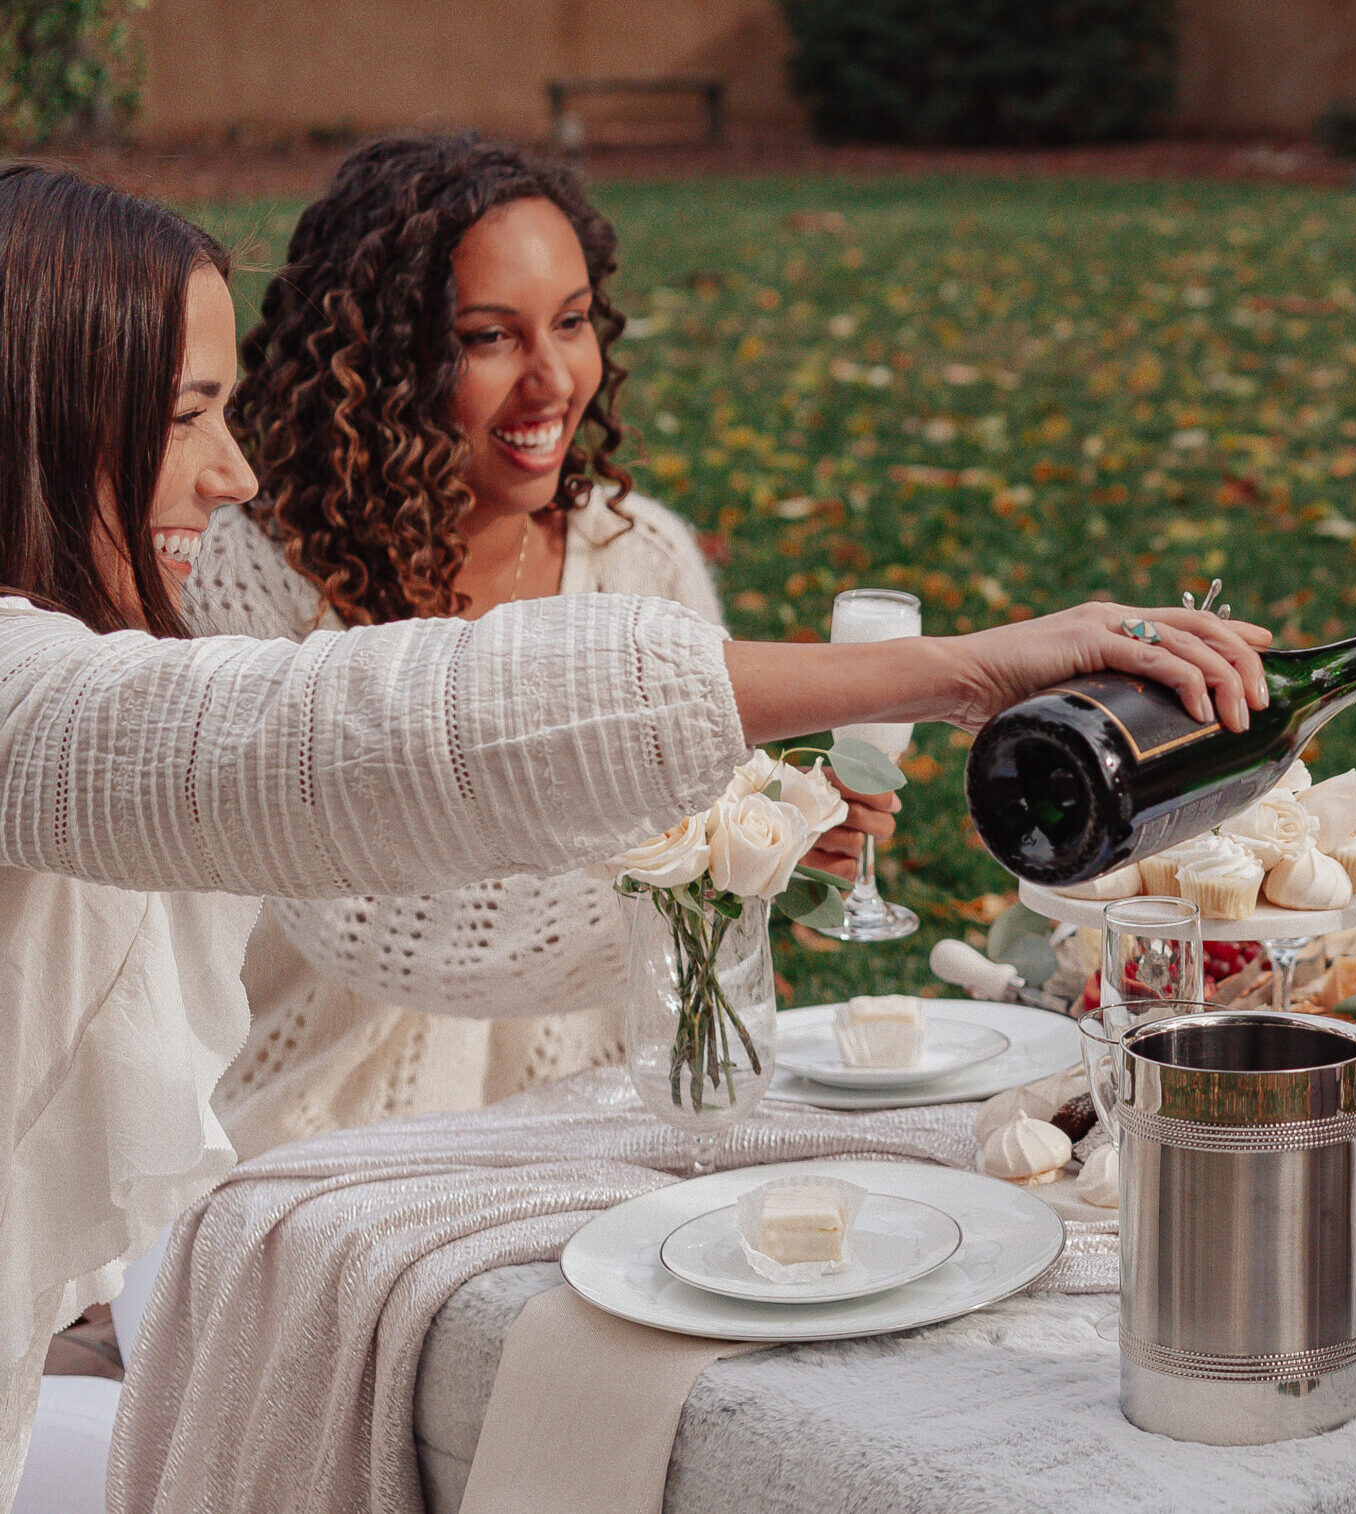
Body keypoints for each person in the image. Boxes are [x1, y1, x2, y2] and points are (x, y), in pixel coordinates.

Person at [0, 162, 1267, 1505]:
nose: (234, 468)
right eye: (188, 413)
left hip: (561, 1151)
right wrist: (943, 673)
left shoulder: (620, 549)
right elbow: (363, 740)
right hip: (289, 1202)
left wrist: (746, 845)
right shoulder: (43, 700)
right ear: (42, 418)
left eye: (574, 319)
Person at [185, 135, 886, 1156]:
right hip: (310, 1132)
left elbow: (689, 945)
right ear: (377, 359)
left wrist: (772, 841)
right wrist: (720, 846)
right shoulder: (253, 580)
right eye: (488, 337)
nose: (555, 380)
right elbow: (381, 926)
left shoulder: (636, 556)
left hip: (610, 1111)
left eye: (571, 322)